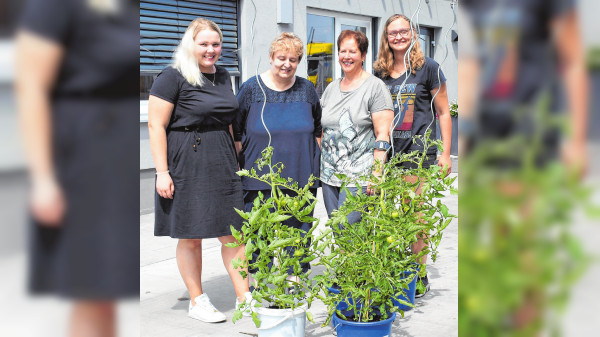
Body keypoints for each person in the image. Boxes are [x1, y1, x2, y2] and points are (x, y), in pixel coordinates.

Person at [16, 0, 139, 336]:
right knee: (91, 288)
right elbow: (31, 89)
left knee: (109, 287)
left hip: (118, 159)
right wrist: (43, 178)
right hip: (84, 157)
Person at [148, 18, 250, 323]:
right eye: (203, 43)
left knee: (234, 233)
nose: (210, 50)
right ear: (190, 44)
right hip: (185, 161)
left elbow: (229, 119)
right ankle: (197, 299)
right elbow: (156, 125)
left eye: (215, 44)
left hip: (222, 159)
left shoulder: (223, 76)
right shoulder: (173, 76)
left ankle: (245, 297)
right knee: (190, 234)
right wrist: (162, 172)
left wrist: (237, 156)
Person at [374, 14, 453, 298]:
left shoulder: (428, 68)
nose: (398, 36)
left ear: (413, 34)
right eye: (392, 33)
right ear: (386, 37)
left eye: (403, 31)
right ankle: (393, 268)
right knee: (386, 216)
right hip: (387, 154)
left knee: (414, 216)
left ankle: (418, 274)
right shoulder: (379, 72)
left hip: (418, 155)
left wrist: (445, 153)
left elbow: (444, 112)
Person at [233, 32, 322, 285]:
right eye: (281, 58)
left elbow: (317, 128)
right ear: (271, 57)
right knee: (260, 235)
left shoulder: (307, 89)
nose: (287, 64)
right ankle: (262, 283)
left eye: (293, 59)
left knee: (299, 234)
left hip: (301, 179)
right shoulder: (251, 88)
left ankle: (294, 284)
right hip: (259, 179)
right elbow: (236, 129)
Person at [320, 30, 394, 223]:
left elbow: (383, 134)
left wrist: (377, 173)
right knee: (339, 234)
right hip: (330, 178)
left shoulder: (375, 87)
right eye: (342, 51)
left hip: (358, 178)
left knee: (351, 235)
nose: (346, 56)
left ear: (363, 55)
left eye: (352, 52)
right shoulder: (331, 89)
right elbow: (323, 129)